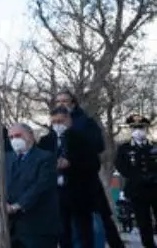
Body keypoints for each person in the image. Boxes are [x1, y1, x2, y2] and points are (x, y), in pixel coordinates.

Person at [55, 91, 124, 248]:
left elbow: (98, 146)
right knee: (65, 225)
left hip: (86, 180)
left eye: (65, 101)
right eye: (58, 102)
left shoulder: (85, 122)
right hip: (64, 183)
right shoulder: (56, 123)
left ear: (73, 103)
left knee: (99, 219)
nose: (61, 105)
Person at [35, 107, 97, 248]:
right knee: (63, 232)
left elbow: (94, 163)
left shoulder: (82, 139)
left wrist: (71, 163)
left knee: (84, 232)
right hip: (56, 194)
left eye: (61, 121)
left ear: (69, 120)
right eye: (54, 122)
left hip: (79, 193)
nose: (57, 125)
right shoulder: (45, 141)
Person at [5, 123, 60, 248]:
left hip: (39, 227)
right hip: (12, 228)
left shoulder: (45, 158)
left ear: (30, 135)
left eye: (18, 135)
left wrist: (17, 206)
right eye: (11, 137)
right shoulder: (7, 159)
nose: (14, 140)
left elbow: (40, 187)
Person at [114, 114, 157, 248]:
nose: (138, 130)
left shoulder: (154, 146)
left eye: (141, 127)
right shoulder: (124, 148)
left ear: (146, 128)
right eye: (135, 128)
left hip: (155, 188)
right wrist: (137, 177)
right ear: (131, 130)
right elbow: (120, 166)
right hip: (137, 190)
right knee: (144, 223)